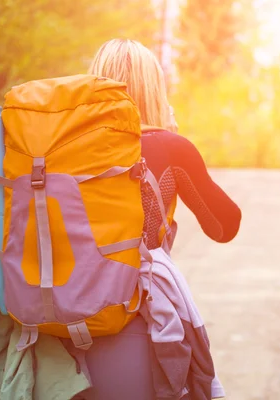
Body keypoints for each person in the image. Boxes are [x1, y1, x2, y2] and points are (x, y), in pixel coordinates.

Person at [73, 39, 242, 400]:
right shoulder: (168, 145)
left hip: (56, 325)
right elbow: (225, 226)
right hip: (139, 328)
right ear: (154, 89)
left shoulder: (63, 149)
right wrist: (175, 140)